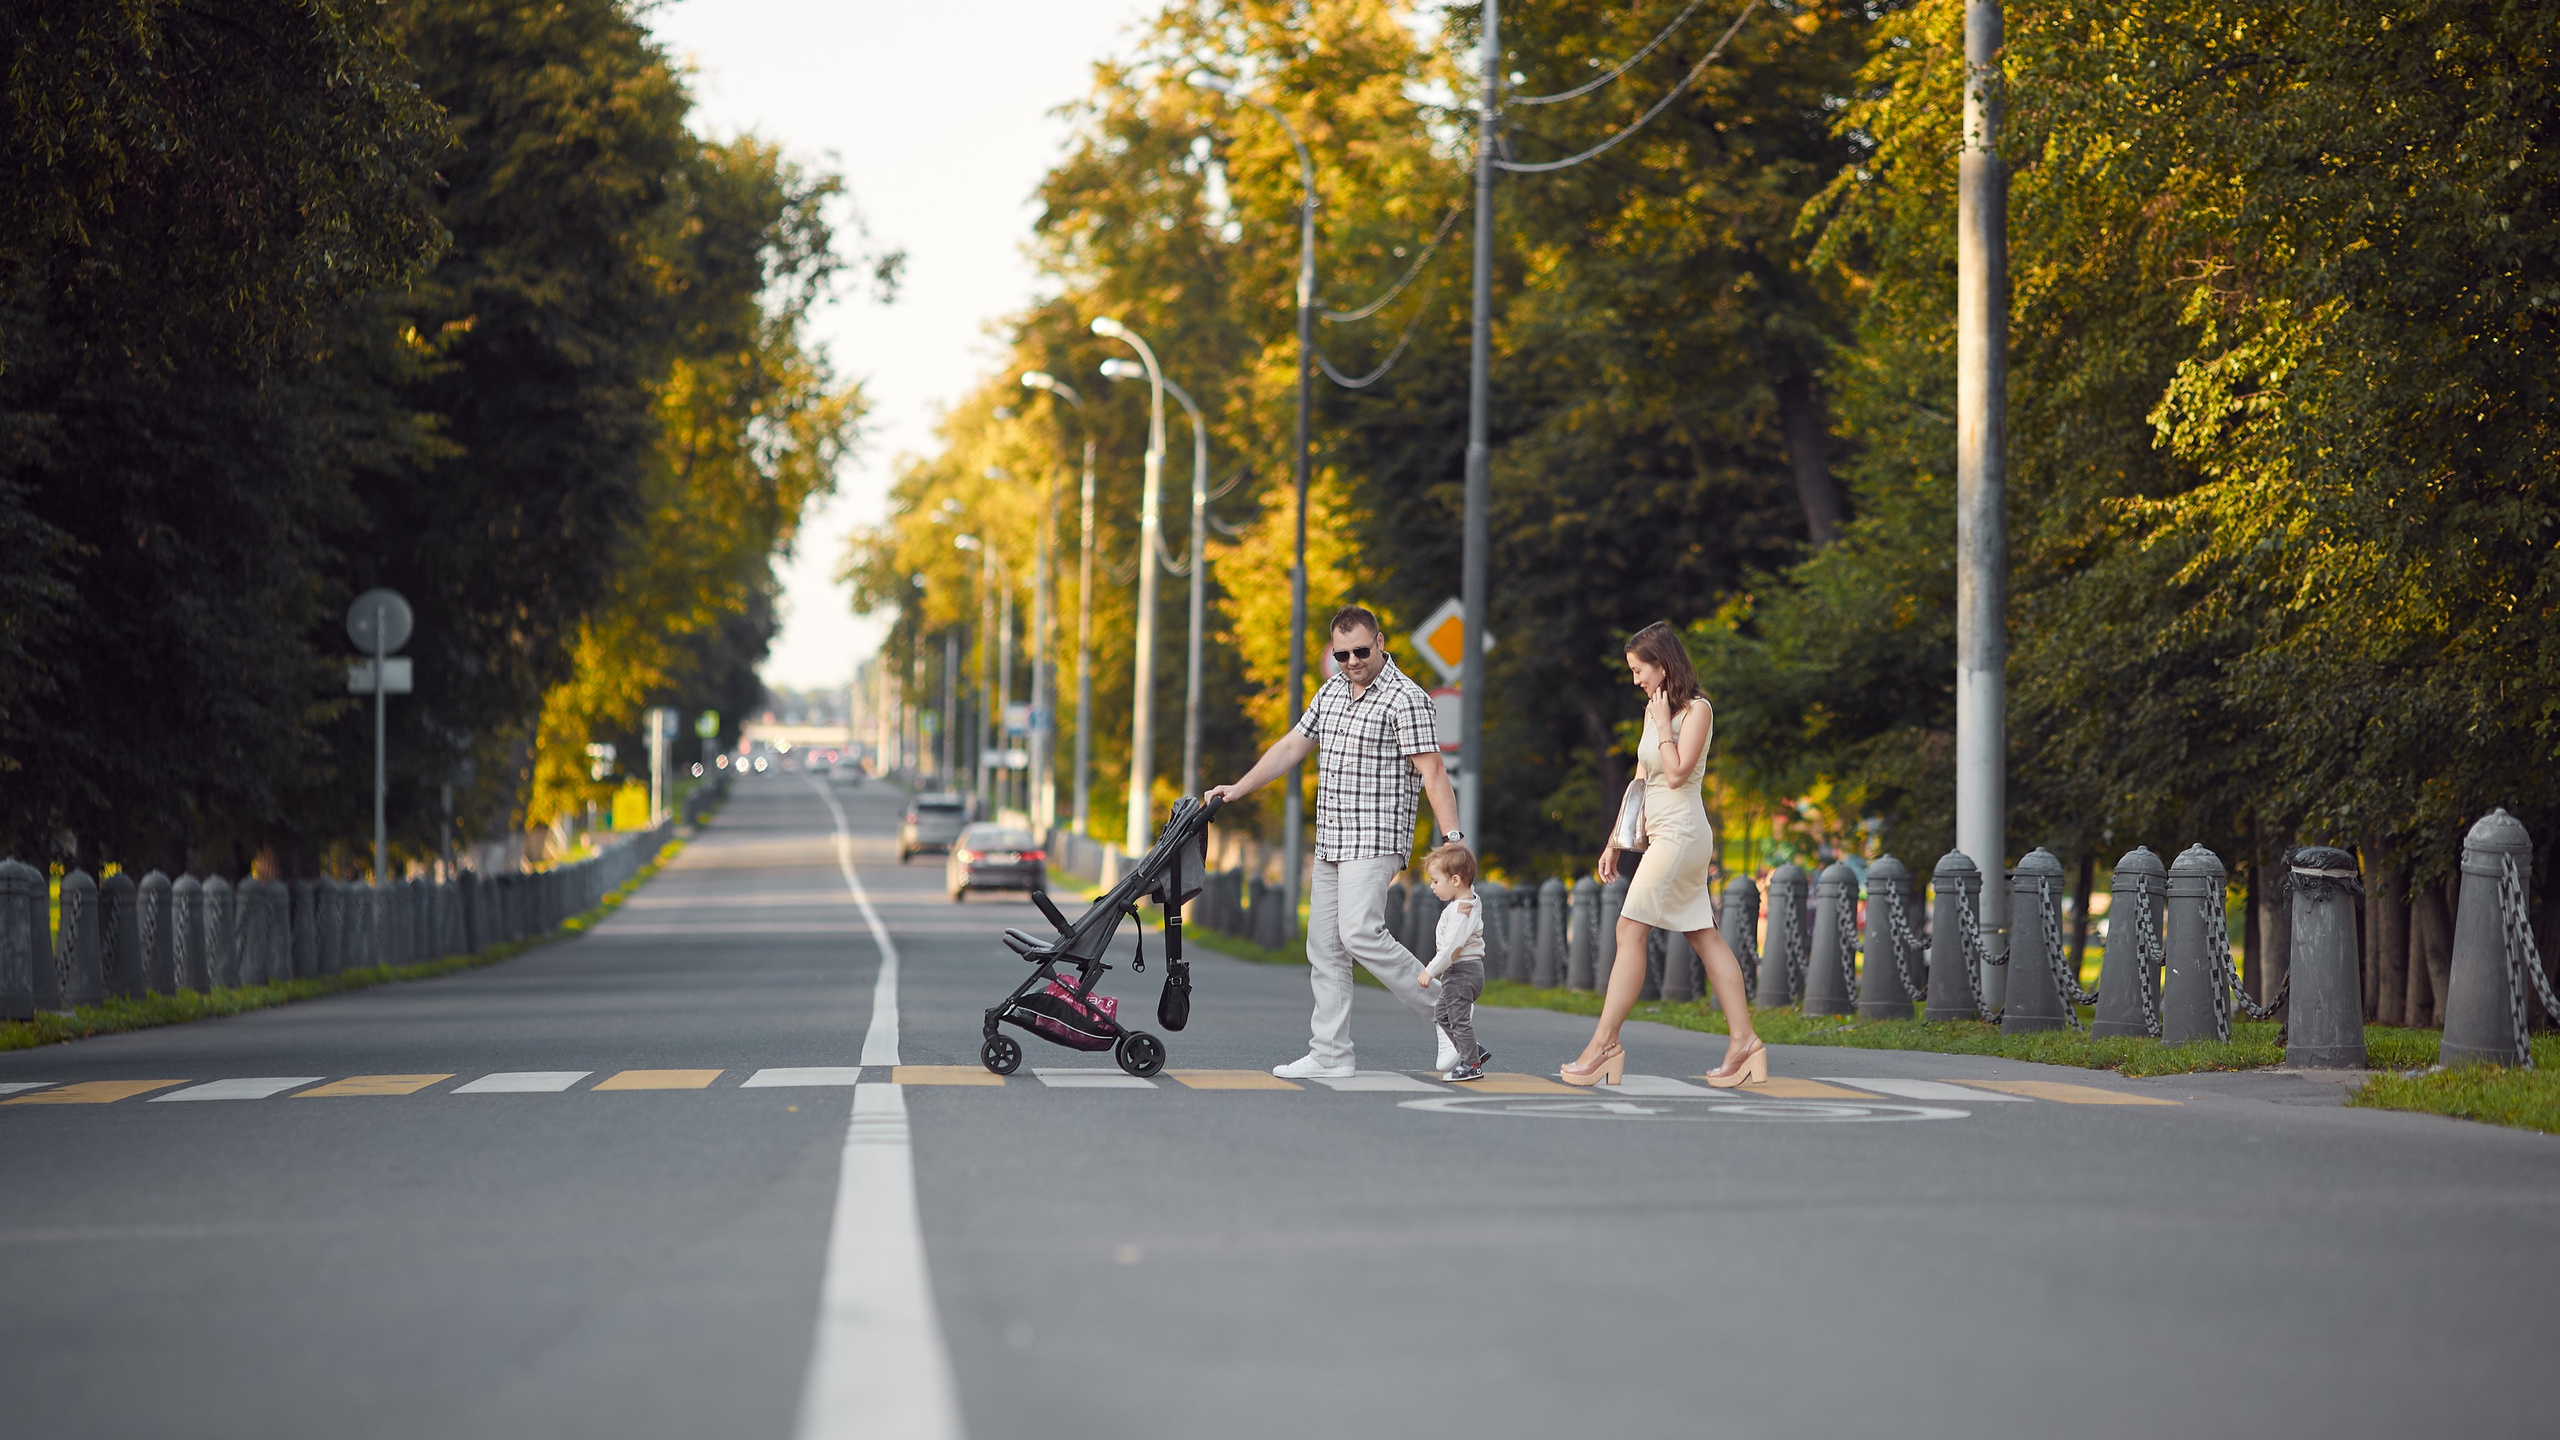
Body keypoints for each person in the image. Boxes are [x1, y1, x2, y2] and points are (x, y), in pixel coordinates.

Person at [1207, 605, 1463, 1079]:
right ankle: (1330, 1053)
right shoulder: (1331, 691)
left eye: (1361, 651)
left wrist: (1452, 839)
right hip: (1332, 839)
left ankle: (1448, 1010)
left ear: (1380, 642)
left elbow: (1433, 771)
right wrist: (1239, 787)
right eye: (1342, 654)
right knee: (1324, 947)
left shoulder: (1406, 698)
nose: (1352, 662)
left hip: (1376, 836)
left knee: (1359, 932)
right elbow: (1291, 746)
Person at [1560, 621, 1767, 1089]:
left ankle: (1604, 1045)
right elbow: (1641, 781)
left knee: (1629, 929)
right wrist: (1615, 840)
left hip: (1682, 834)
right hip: (1660, 836)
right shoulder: (1655, 711)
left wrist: (1661, 727)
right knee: (1703, 936)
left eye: (1640, 670)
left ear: (1664, 664)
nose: (1636, 680)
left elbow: (1675, 775)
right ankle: (1745, 1043)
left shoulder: (1697, 711)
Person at [1416, 841, 1492, 1082]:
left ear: (1456, 880)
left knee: (1458, 1018)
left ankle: (1471, 1065)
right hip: (1461, 972)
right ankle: (1473, 1050)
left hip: (1462, 971)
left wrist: (1430, 971)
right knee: (1442, 1014)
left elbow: (1451, 949)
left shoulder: (1462, 912)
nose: (1432, 886)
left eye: (1435, 881)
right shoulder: (1467, 901)